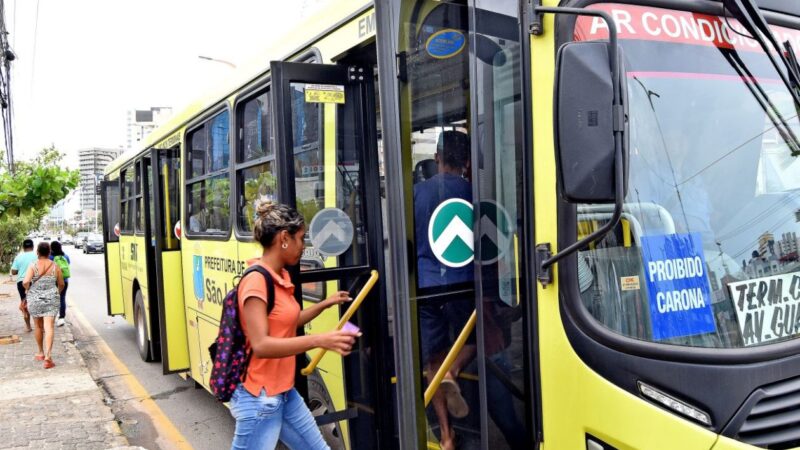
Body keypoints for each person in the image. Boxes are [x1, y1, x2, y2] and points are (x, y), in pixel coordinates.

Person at [229, 200, 360, 450]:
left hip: (284, 393)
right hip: (260, 399)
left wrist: (325, 304)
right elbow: (261, 345)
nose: (303, 245)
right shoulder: (256, 282)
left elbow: (288, 321)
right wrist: (320, 340)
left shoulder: (280, 276)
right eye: (300, 238)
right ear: (284, 238)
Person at [413, 130, 476, 450]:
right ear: (466, 161)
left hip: (427, 289)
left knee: (432, 364)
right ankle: (455, 368)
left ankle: (447, 437)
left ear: (437, 157)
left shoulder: (417, 193)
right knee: (479, 339)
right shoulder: (474, 192)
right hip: (465, 285)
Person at [23, 242, 65, 369]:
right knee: (49, 326)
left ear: (37, 252)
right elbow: (61, 284)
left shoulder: (33, 265)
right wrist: (56, 293)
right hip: (51, 298)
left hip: (35, 299)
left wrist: (28, 289)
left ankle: (40, 352)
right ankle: (48, 356)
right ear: (49, 252)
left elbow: (25, 281)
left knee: (38, 326)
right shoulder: (55, 266)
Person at [10, 239, 36, 332]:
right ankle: (40, 326)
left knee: (25, 303)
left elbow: (13, 271)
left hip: (22, 282)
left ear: (23, 247)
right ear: (33, 246)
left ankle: (28, 327)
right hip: (35, 281)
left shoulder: (18, 257)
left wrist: (21, 269)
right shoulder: (37, 255)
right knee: (37, 302)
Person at [50, 241, 71, 327]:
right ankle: (61, 318)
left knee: (53, 298)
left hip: (53, 281)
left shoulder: (50, 257)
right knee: (62, 298)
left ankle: (52, 317)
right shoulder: (65, 256)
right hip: (64, 280)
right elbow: (68, 263)